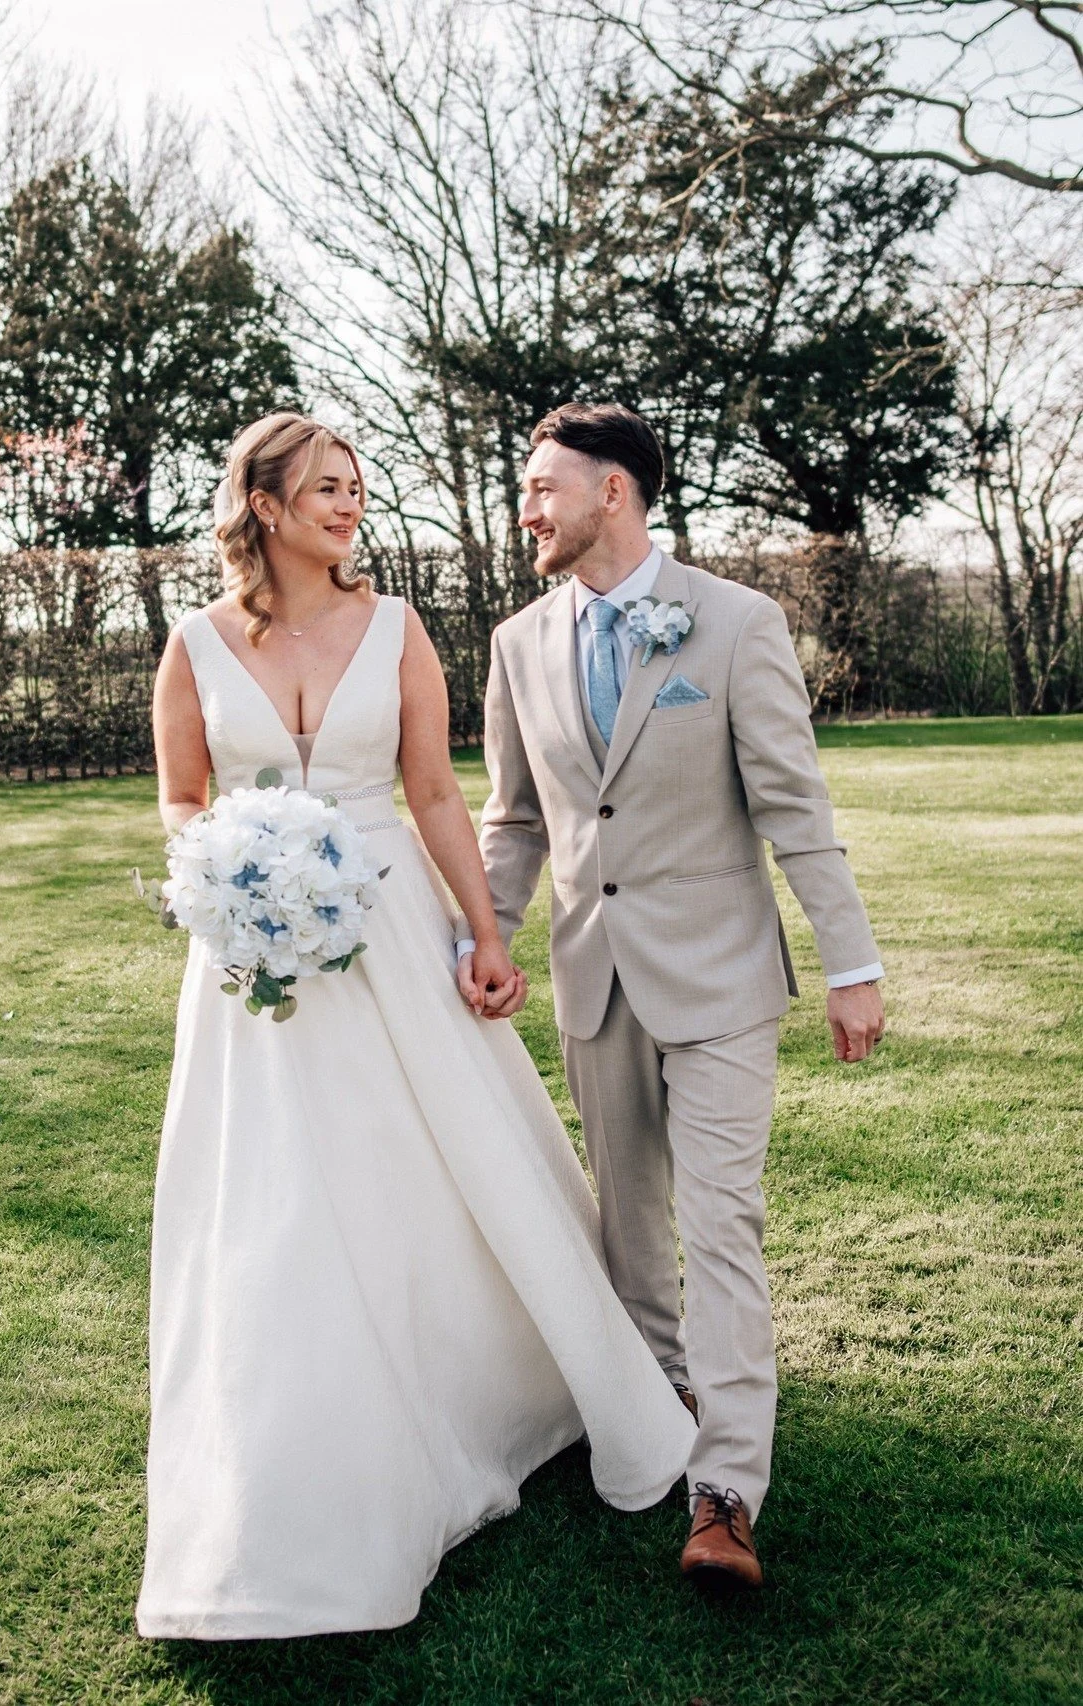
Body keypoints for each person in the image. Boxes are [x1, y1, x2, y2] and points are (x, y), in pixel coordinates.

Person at [136, 411, 696, 1640]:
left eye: (357, 487)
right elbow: (183, 795)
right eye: (325, 487)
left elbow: (436, 789)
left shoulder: (397, 628)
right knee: (277, 1191)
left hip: (386, 923)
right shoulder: (192, 643)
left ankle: (497, 1390)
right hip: (250, 959)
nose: (350, 504)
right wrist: (224, 863)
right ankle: (299, 1460)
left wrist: (484, 933)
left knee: (431, 1162)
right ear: (266, 504)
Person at [461, 401, 886, 1589]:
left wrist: (852, 964)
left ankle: (726, 1490)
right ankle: (658, 1420)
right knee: (629, 1236)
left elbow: (796, 808)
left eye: (544, 485)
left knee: (721, 1225)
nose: (526, 507)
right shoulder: (514, 644)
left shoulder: (738, 622)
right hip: (591, 975)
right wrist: (479, 939)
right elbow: (515, 820)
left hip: (722, 978)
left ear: (615, 491)